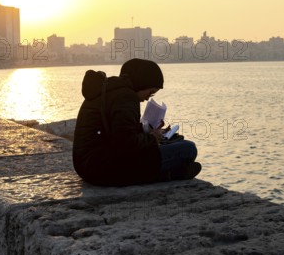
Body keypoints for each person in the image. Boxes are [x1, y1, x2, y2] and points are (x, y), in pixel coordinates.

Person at [72, 58, 201, 186]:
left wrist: (147, 131)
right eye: (150, 92)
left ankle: (170, 174)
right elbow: (125, 144)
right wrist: (152, 138)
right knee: (188, 149)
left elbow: (116, 132)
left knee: (176, 141)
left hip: (89, 166)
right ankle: (167, 174)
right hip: (104, 169)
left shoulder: (109, 90)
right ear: (141, 83)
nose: (146, 99)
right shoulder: (126, 97)